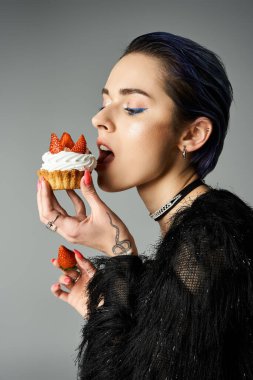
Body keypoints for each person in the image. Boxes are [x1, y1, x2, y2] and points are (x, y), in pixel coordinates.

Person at [37, 32, 253, 380]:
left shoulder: (209, 240)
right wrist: (106, 309)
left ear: (192, 135)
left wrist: (117, 253)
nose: (98, 120)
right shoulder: (202, 228)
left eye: (132, 108)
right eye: (103, 103)